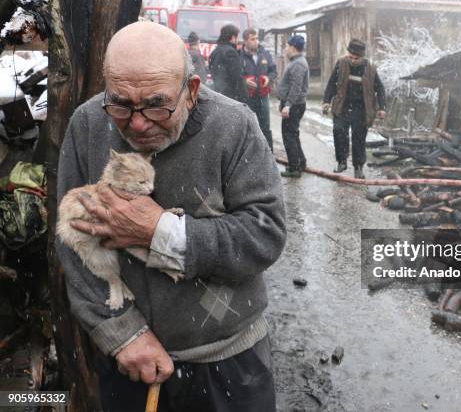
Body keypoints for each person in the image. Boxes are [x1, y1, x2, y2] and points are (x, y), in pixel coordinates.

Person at [56, 21, 286, 411]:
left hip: (228, 361)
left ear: (191, 90)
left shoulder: (234, 126)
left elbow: (265, 235)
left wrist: (159, 231)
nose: (139, 122)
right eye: (121, 104)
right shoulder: (88, 123)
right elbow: (71, 242)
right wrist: (121, 334)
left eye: (157, 104)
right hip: (130, 364)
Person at [322, 38, 386, 179]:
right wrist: (326, 101)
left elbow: (380, 89)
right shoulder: (341, 64)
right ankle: (342, 162)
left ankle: (358, 167)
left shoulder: (370, 68)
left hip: (361, 108)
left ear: (361, 57)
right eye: (350, 56)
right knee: (338, 131)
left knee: (359, 138)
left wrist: (382, 107)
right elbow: (332, 83)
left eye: (355, 58)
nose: (352, 60)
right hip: (342, 106)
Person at [277, 35, 309, 178]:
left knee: (289, 135)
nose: (285, 49)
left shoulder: (298, 64)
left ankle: (294, 168)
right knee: (293, 134)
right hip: (294, 104)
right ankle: (300, 162)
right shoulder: (296, 61)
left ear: (293, 48)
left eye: (287, 46)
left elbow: (296, 87)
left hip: (294, 105)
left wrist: (288, 105)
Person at [240, 28, 277, 150]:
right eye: (252, 39)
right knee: (248, 126)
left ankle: (269, 154)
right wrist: (244, 81)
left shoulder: (265, 54)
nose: (256, 41)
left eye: (256, 39)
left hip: (262, 97)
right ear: (245, 41)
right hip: (247, 97)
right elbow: (235, 76)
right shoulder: (239, 56)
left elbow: (273, 71)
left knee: (265, 126)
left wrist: (268, 78)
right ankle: (249, 154)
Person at [208, 24, 248, 103]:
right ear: (232, 38)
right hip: (230, 97)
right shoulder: (231, 52)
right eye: (237, 37)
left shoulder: (214, 52)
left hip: (217, 94)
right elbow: (237, 78)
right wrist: (244, 99)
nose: (237, 41)